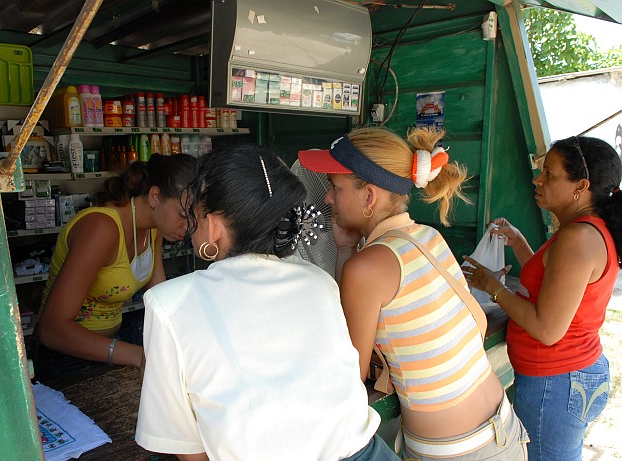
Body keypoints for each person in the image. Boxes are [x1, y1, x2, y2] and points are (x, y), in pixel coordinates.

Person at [135, 145, 399, 461]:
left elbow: (186, 448)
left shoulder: (168, 306)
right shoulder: (318, 282)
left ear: (214, 226)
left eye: (195, 212)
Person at [298, 126, 528, 460]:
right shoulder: (428, 236)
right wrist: (346, 247)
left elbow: (349, 375)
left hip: (455, 452)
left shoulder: (367, 268)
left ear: (369, 196)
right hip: (504, 432)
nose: (328, 199)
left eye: (334, 188)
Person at [463, 135, 622, 461]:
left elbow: (547, 327)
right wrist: (519, 242)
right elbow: (554, 286)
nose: (538, 179)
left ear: (581, 186)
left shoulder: (578, 237)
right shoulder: (583, 230)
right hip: (570, 373)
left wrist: (492, 286)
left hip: (557, 382)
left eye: (549, 174)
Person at [34, 153, 196, 379]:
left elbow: (160, 300)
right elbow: (51, 330)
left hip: (113, 343)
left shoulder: (154, 230)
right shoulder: (103, 227)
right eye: (182, 215)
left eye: (193, 219)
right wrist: (138, 356)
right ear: (155, 196)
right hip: (64, 359)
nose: (187, 227)